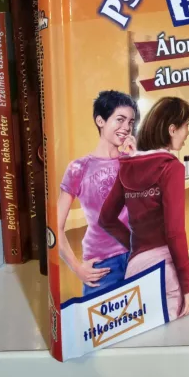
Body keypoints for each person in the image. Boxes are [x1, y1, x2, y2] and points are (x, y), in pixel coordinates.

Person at [99, 97, 189, 321]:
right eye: (186, 126)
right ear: (172, 129)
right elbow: (174, 233)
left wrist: (135, 244)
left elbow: (106, 218)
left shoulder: (128, 166)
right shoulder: (171, 168)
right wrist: (188, 285)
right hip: (164, 269)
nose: (188, 132)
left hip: (135, 268)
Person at [57, 90, 138, 297]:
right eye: (120, 119)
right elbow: (55, 227)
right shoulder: (79, 168)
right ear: (100, 121)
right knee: (103, 318)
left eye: (130, 122)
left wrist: (136, 161)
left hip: (138, 255)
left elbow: (149, 209)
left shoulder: (132, 161)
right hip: (103, 265)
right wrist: (77, 268)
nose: (126, 127)